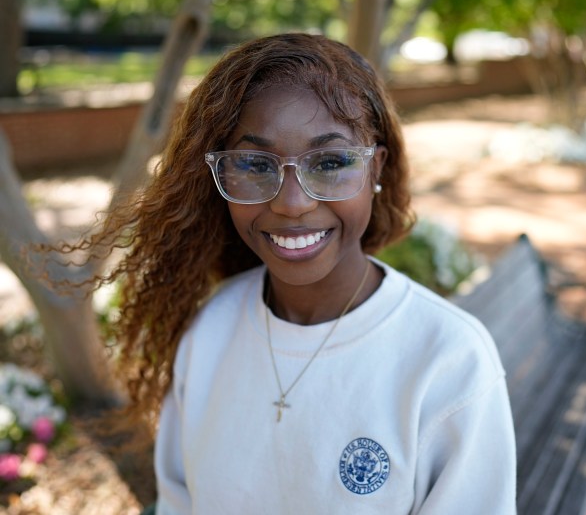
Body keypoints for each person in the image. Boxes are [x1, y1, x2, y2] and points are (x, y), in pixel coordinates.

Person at [88, 33, 516, 514]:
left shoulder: (448, 360)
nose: (292, 203)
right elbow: (179, 502)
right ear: (220, 176)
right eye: (254, 164)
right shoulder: (209, 332)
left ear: (375, 169)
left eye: (330, 162)